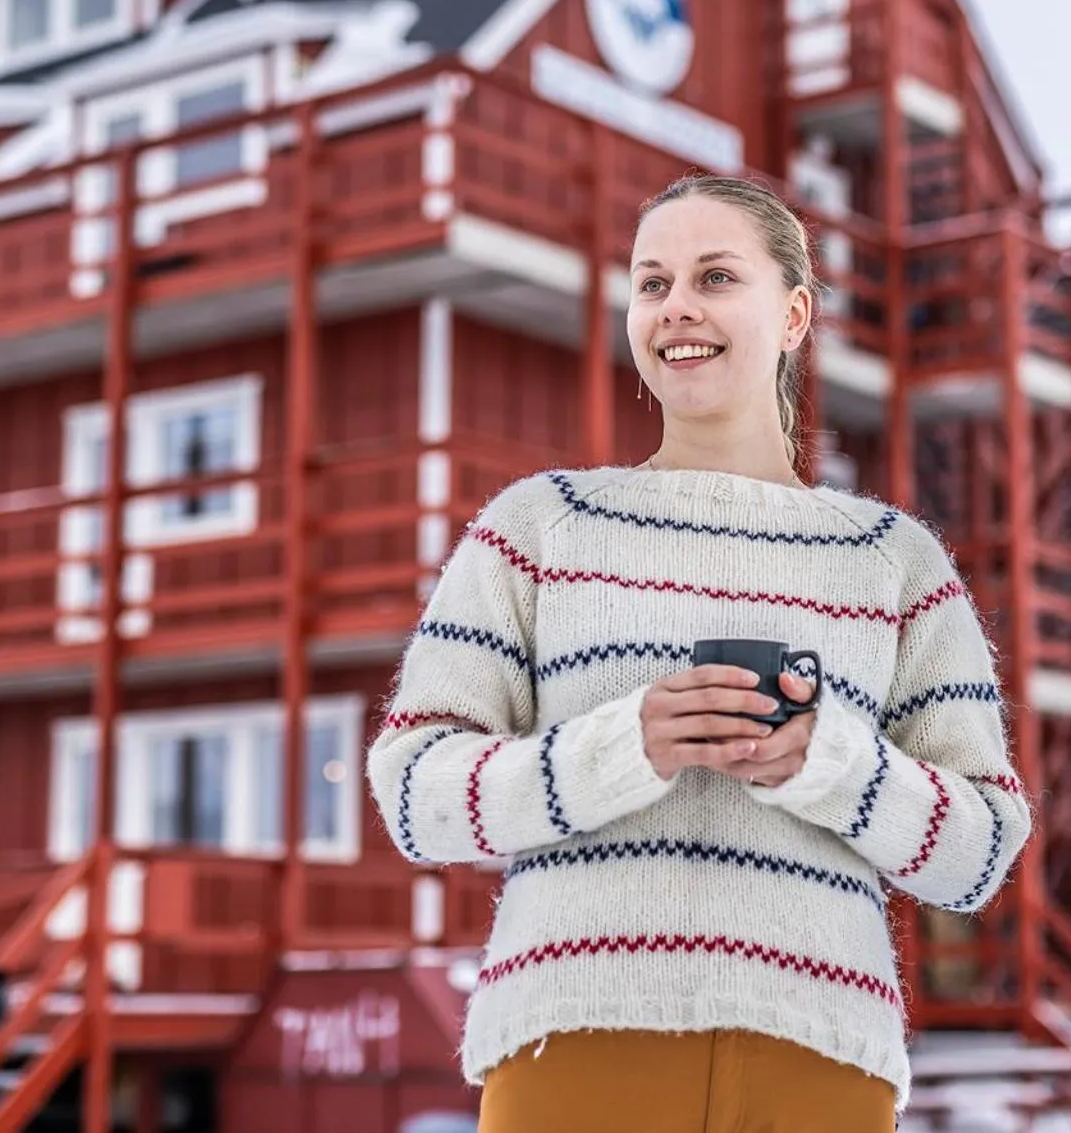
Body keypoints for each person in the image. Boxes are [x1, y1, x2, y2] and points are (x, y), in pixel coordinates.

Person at [367, 173, 1034, 1131]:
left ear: (794, 313)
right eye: (651, 282)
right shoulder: (540, 527)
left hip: (819, 1057)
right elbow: (415, 796)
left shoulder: (893, 560)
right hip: (574, 1041)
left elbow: (979, 855)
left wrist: (831, 763)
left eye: (716, 277)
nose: (676, 306)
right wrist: (623, 747)